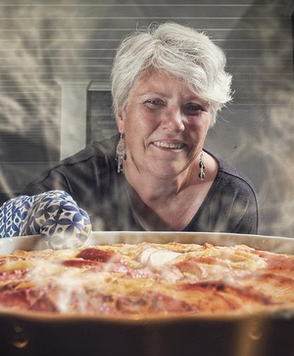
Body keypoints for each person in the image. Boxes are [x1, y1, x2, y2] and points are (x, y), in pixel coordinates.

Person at [0, 22, 258, 246]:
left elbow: (238, 293)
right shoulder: (72, 183)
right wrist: (24, 218)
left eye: (194, 107)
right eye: (154, 102)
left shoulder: (234, 196)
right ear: (121, 115)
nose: (175, 123)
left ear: (210, 119)